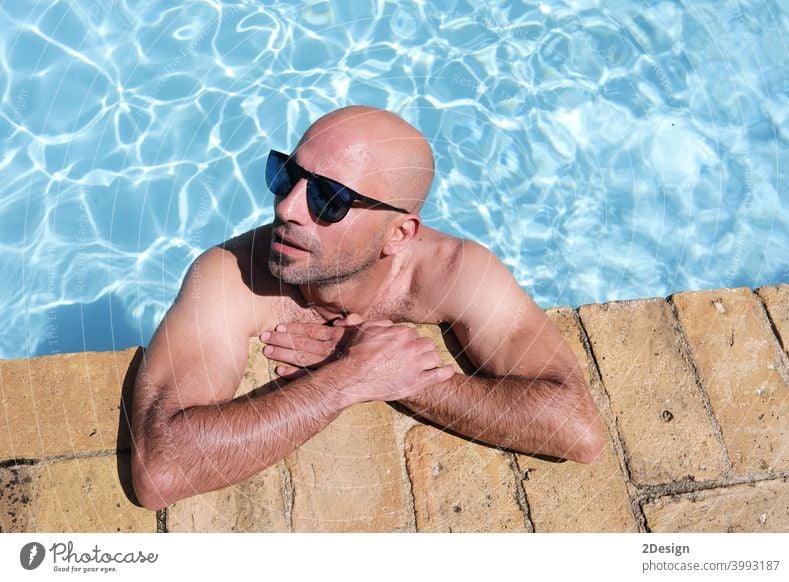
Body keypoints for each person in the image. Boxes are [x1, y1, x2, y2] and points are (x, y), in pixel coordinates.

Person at [131, 105, 604, 511]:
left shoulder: (455, 272)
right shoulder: (229, 274)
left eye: (329, 199)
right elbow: (160, 472)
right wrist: (347, 377)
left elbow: (577, 429)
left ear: (399, 235)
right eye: (286, 175)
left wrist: (409, 382)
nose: (287, 208)